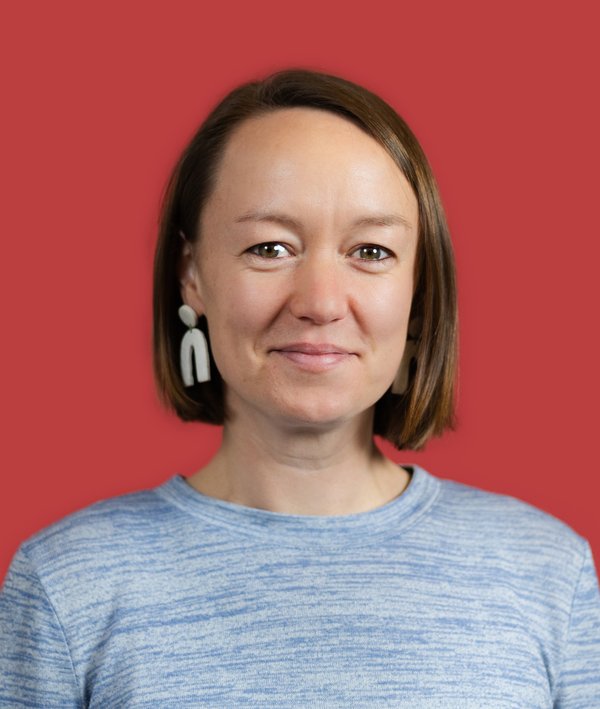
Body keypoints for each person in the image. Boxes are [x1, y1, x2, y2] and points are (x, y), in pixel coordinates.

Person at [1, 69, 599, 707]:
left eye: (371, 252)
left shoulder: (548, 573)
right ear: (192, 274)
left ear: (420, 289)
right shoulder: (65, 585)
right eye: (270, 247)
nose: (320, 302)